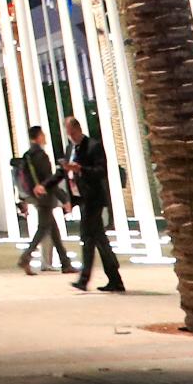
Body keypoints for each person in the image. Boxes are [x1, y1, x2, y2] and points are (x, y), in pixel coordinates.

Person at [63, 114, 124, 292]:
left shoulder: (93, 146)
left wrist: (81, 169)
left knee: (90, 238)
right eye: (68, 134)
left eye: (72, 133)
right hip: (82, 199)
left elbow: (101, 170)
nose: (71, 137)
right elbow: (64, 174)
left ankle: (88, 278)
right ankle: (113, 278)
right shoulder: (70, 148)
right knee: (95, 239)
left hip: (93, 199)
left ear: (78, 129)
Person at [16, 126, 72, 274]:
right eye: (43, 134)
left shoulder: (28, 155)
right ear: (39, 136)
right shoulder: (41, 156)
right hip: (45, 197)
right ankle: (25, 257)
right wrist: (64, 198)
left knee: (54, 231)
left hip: (36, 196)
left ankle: (66, 263)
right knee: (43, 229)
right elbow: (48, 180)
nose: (45, 137)